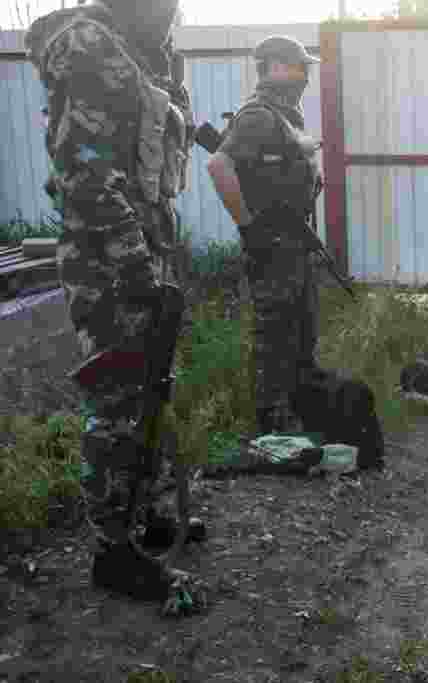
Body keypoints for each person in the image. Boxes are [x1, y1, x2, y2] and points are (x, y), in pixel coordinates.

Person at [25, 0, 204, 610]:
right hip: (108, 259)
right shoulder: (91, 48)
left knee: (152, 386)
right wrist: (135, 262)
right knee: (117, 400)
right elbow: (84, 172)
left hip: (144, 247)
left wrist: (156, 256)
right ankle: (112, 551)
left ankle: (144, 514)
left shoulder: (144, 51)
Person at [207, 35, 323, 435]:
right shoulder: (257, 116)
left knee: (303, 328)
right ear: (273, 67)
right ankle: (271, 421)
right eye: (296, 66)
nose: (304, 74)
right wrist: (249, 229)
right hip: (270, 243)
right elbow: (219, 167)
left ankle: (303, 404)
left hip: (293, 240)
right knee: (274, 332)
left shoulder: (287, 117)